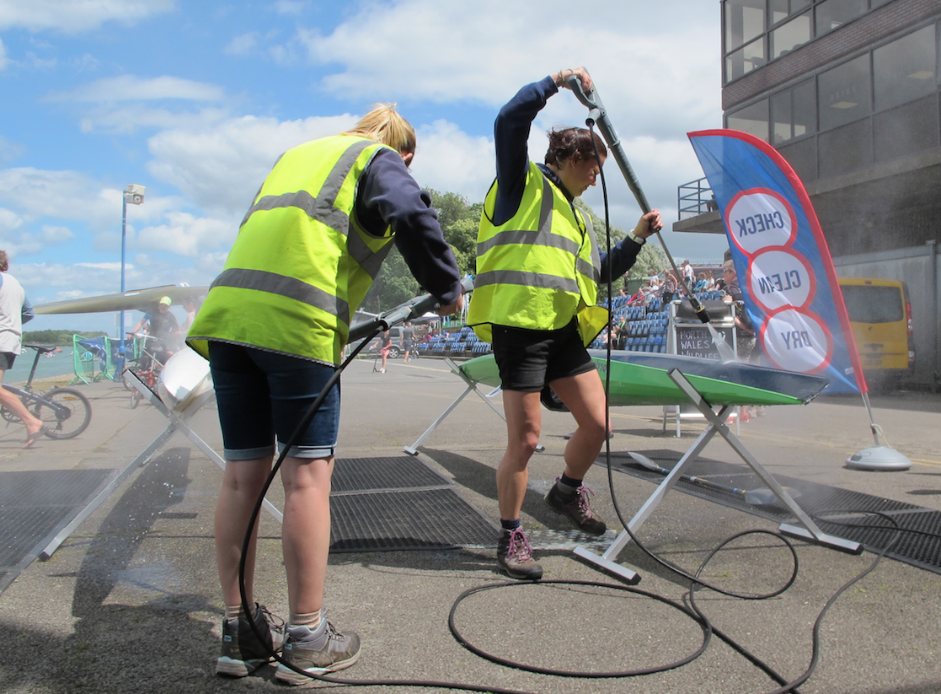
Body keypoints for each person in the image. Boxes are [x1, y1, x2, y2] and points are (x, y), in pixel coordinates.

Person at [186, 104, 463, 683]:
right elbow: (409, 210)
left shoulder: (296, 157)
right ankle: (308, 636)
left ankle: (240, 633)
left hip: (230, 321)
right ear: (405, 151)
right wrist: (445, 284)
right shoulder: (380, 159)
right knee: (306, 479)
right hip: (295, 327)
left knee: (241, 476)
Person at [466, 67, 663, 581]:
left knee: (598, 424)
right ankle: (510, 534)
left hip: (562, 333)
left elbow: (597, 275)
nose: (598, 176)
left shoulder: (577, 217)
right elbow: (508, 120)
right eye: (594, 166)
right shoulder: (521, 184)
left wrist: (637, 238)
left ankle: (565, 492)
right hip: (520, 329)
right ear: (570, 158)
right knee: (526, 441)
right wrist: (554, 82)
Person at [0, 250, 45, 448]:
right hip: (11, 340)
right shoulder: (15, 283)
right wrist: (12, 325)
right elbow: (28, 313)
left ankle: (32, 422)